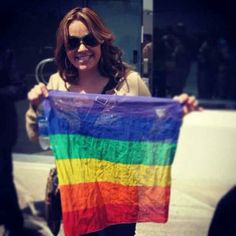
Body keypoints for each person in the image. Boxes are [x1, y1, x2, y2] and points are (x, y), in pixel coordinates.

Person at [25, 7, 201, 236]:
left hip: (120, 197)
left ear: (101, 40)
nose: (81, 49)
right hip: (79, 196)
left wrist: (175, 113)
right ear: (64, 48)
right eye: (72, 43)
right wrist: (35, 107)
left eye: (89, 40)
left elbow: (150, 132)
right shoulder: (57, 84)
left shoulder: (130, 82)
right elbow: (42, 140)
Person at [0, 20, 26, 236]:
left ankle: (14, 226)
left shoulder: (5, 53)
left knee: (3, 182)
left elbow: (19, 88)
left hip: (1, 129)